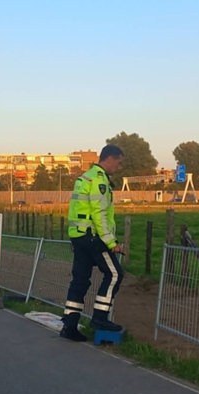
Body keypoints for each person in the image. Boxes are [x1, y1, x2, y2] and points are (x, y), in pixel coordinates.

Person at [60, 144, 125, 342]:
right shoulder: (100, 181)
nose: (119, 167)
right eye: (119, 163)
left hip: (78, 236)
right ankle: (100, 318)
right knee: (114, 274)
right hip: (93, 236)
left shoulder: (85, 177)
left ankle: (69, 326)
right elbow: (100, 214)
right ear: (110, 159)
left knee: (80, 280)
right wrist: (111, 242)